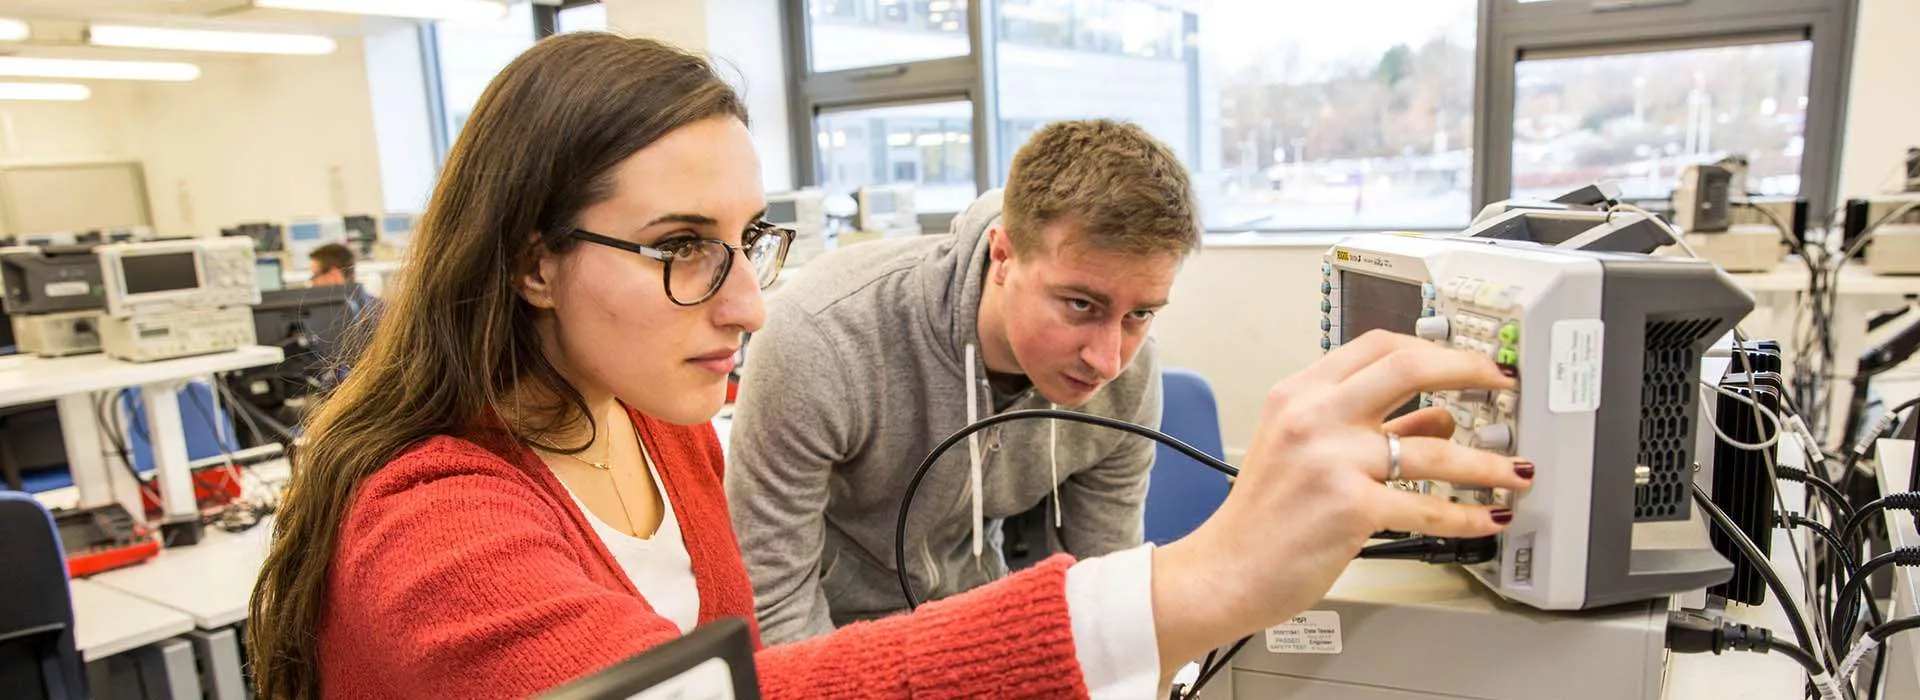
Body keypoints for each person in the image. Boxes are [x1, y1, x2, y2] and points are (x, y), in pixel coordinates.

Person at [245, 32, 1532, 700]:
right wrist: (1198, 582)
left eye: (748, 240)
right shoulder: (432, 535)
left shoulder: (650, 422)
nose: (748, 302)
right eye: (683, 248)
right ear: (531, 260)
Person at [729, 120, 1192, 644]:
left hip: (976, 628)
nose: (1107, 361)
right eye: (1081, 304)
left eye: (1141, 314)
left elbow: (1106, 593)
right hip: (834, 636)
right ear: (1002, 255)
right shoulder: (822, 335)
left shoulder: (1129, 376)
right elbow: (774, 609)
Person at [306, 242, 380, 323]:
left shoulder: (330, 319)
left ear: (333, 276)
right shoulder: (380, 307)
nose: (312, 284)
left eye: (314, 276)